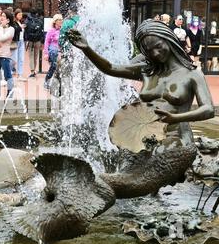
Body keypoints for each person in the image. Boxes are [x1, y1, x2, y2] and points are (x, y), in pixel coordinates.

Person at [68, 19, 214, 149]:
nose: (155, 54)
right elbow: (110, 68)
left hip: (176, 139)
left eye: (158, 46)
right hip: (144, 139)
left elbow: (208, 110)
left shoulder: (192, 74)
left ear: (168, 39)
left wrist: (176, 118)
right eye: (149, 51)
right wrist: (87, 49)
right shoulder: (147, 70)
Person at [0, 9, 15, 98]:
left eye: (4, 16)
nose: (1, 17)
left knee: (7, 75)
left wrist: (1, 27)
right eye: (1, 15)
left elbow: (2, 38)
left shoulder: (11, 29)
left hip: (4, 55)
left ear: (8, 20)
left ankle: (10, 94)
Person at [43, 14, 63, 89]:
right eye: (59, 20)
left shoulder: (62, 30)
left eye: (61, 20)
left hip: (60, 51)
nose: (61, 21)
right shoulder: (51, 31)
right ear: (55, 21)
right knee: (54, 66)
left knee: (59, 68)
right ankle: (47, 80)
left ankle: (57, 83)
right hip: (52, 51)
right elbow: (46, 42)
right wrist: (46, 53)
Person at [25, 9, 44, 78]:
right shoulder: (39, 21)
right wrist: (42, 42)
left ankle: (32, 71)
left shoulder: (27, 21)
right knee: (36, 57)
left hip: (30, 41)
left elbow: (25, 32)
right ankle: (34, 70)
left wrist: (26, 40)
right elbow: (42, 32)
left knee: (31, 56)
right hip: (38, 41)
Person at [10, 8, 27, 81]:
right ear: (16, 15)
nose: (20, 16)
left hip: (21, 41)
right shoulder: (13, 23)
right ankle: (9, 72)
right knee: (14, 59)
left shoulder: (21, 22)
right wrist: (20, 27)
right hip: (15, 42)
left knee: (21, 59)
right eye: (19, 15)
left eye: (21, 15)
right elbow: (14, 30)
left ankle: (20, 74)